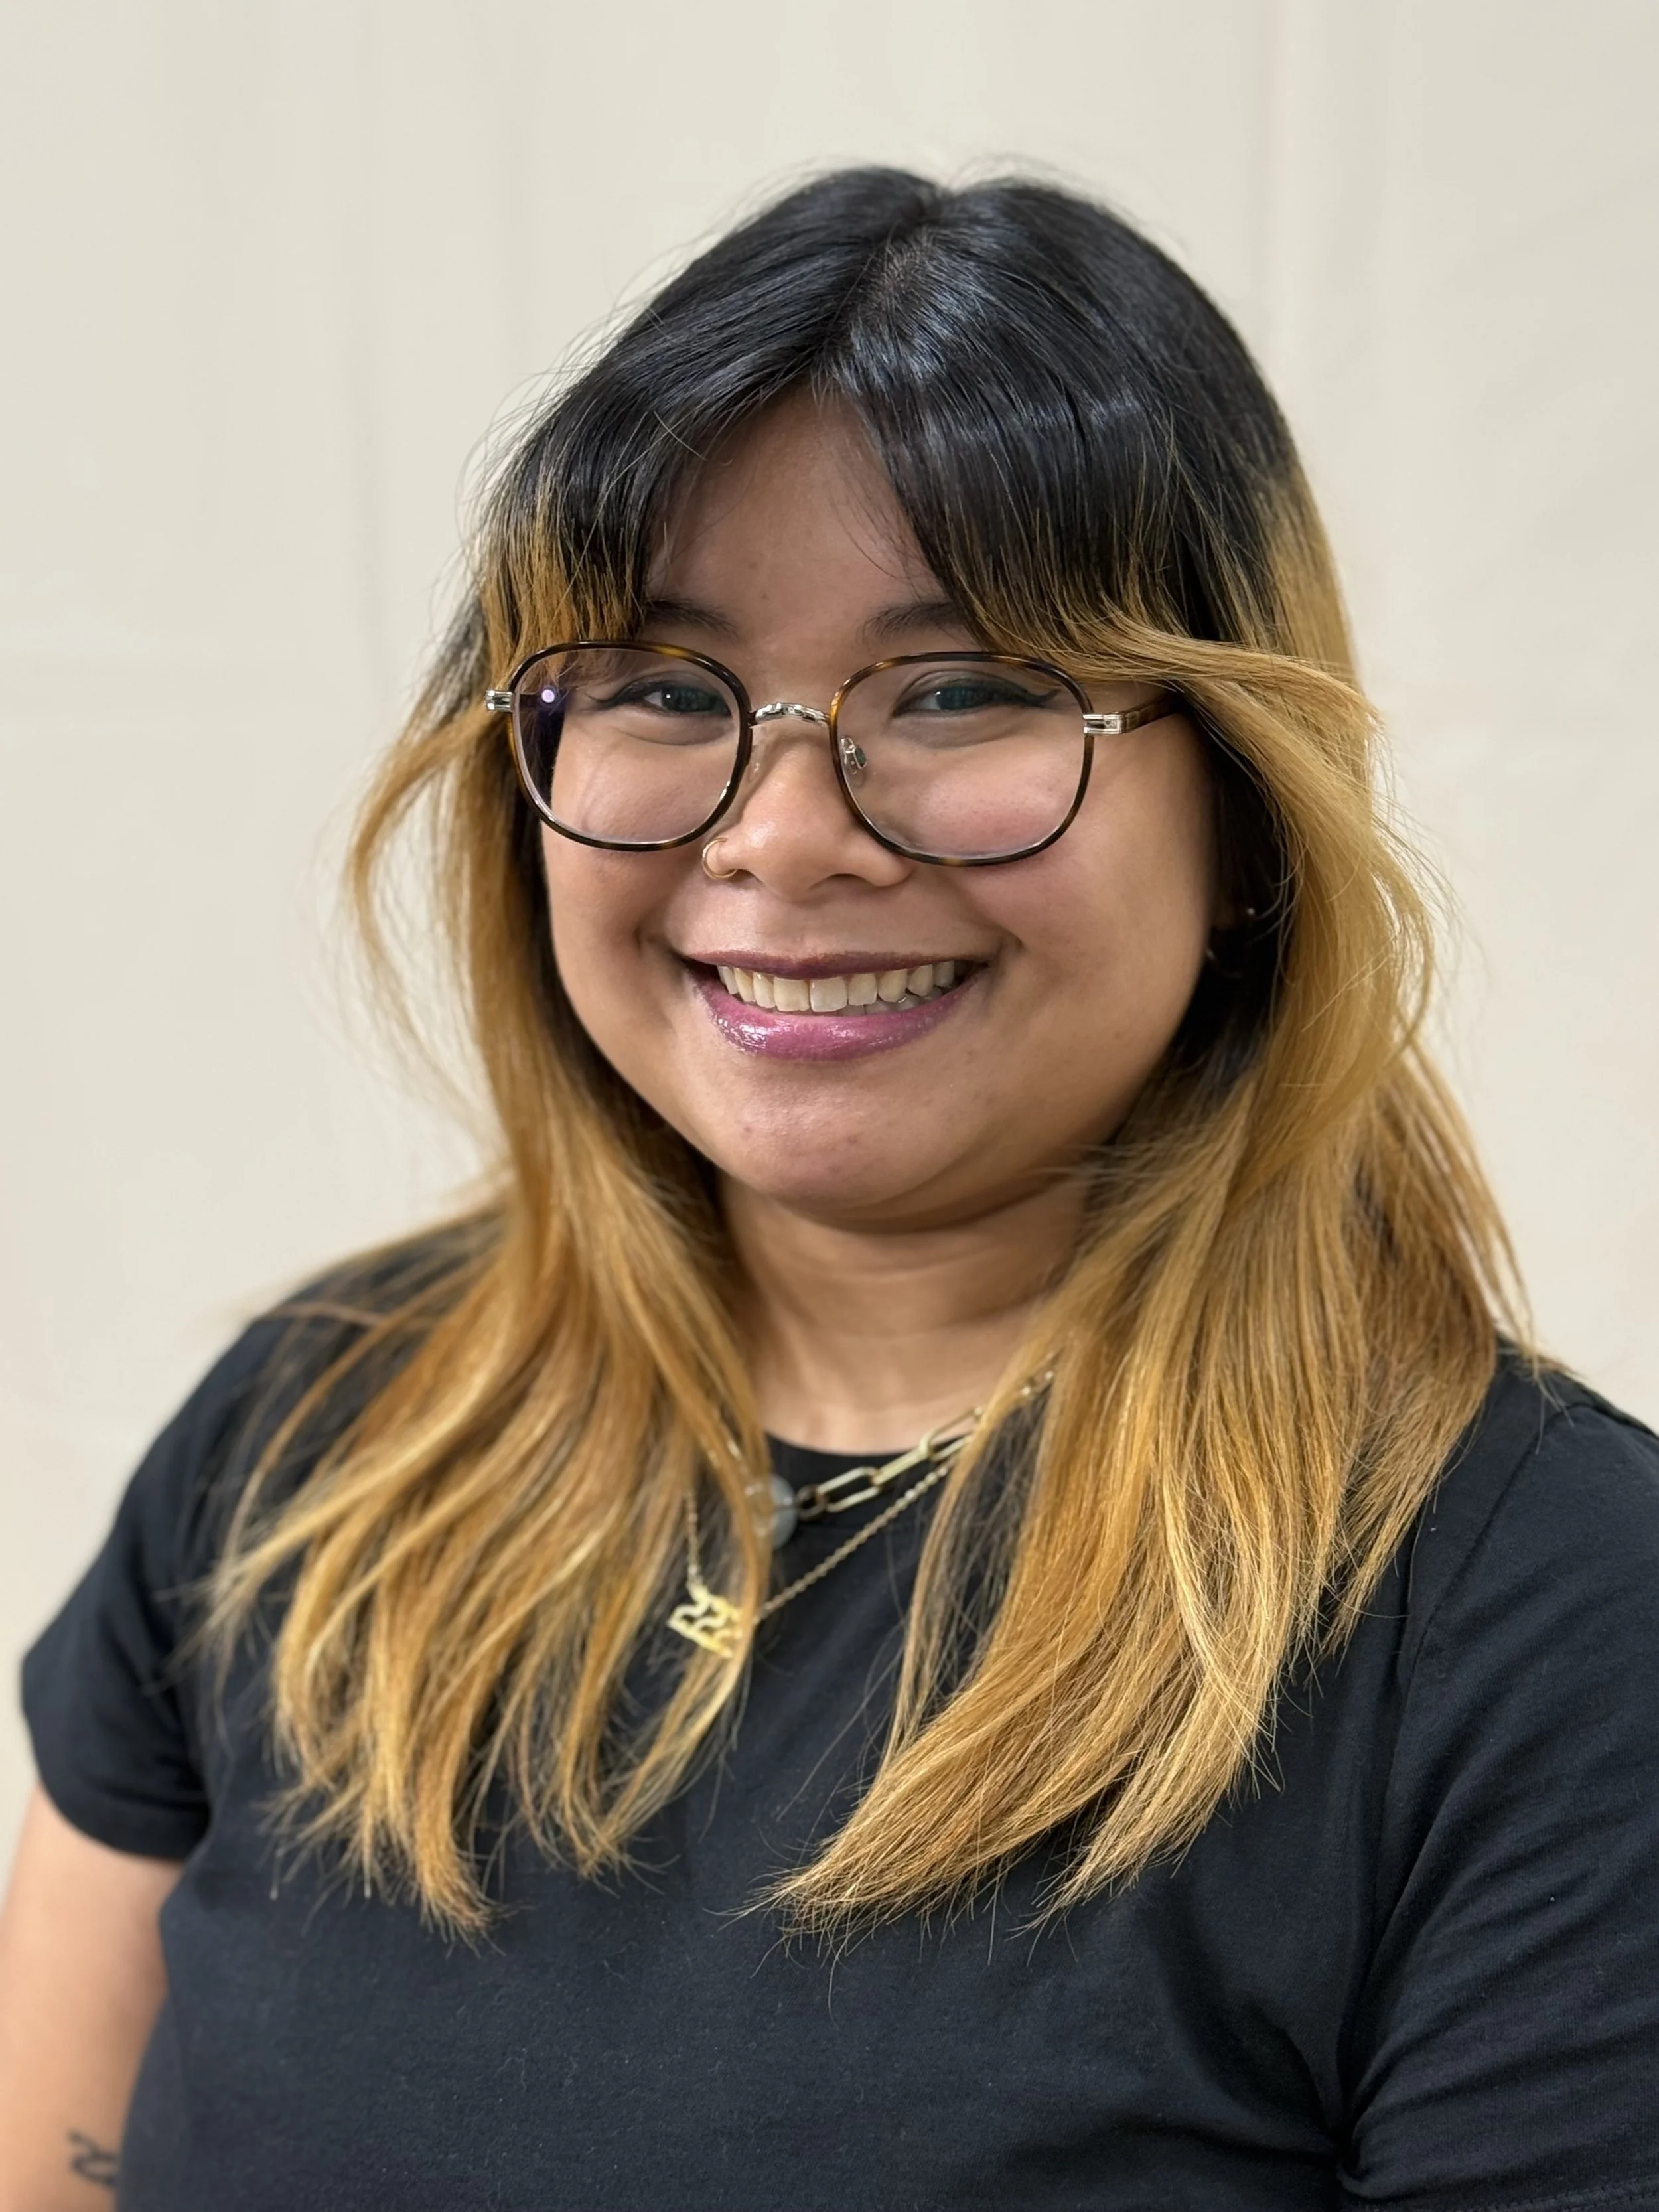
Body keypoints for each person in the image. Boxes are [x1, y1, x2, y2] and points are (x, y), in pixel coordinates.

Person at [1, 167, 1656, 2211]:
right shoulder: (308, 1443)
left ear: (1238, 806)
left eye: (959, 687)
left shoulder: (1539, 1622)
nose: (782, 838)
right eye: (664, 689)